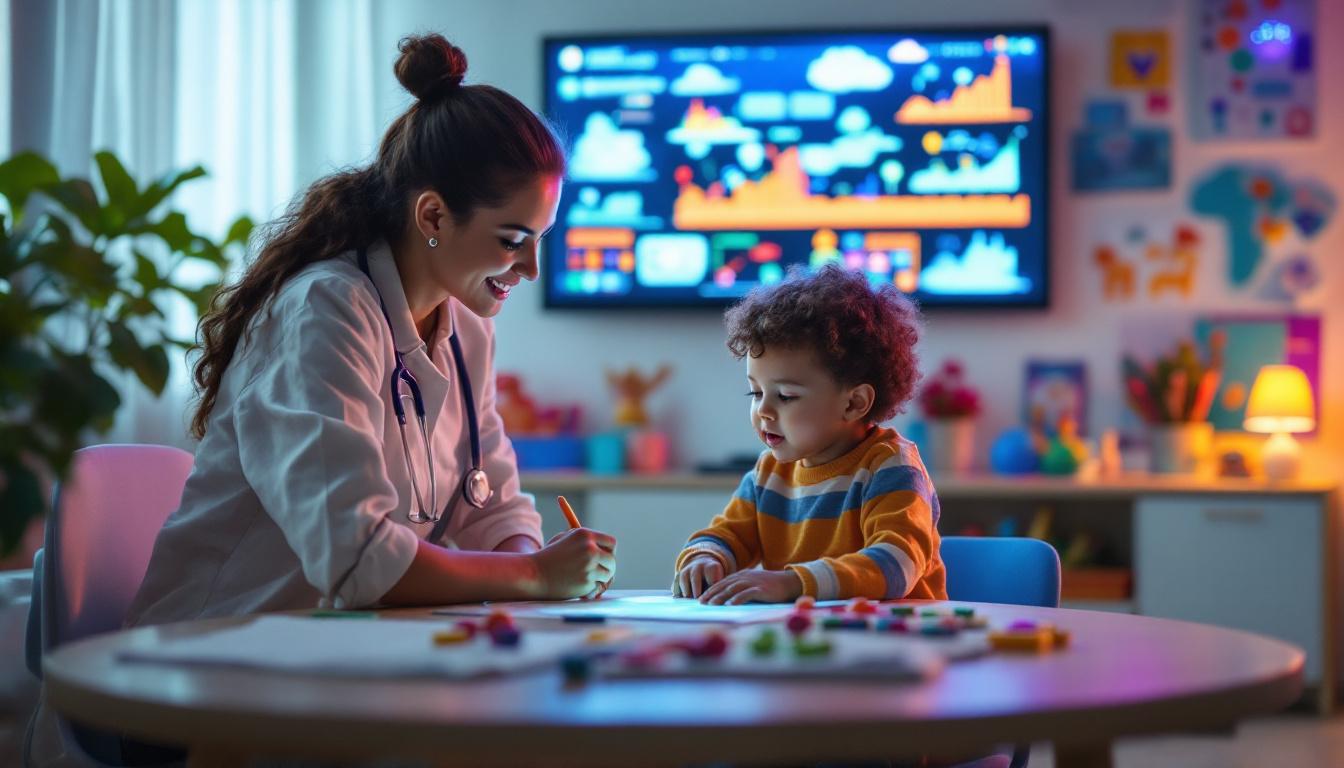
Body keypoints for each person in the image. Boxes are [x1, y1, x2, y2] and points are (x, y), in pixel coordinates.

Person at [126, 33, 616, 626]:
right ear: (433, 215)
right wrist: (536, 576)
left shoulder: (466, 328)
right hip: (211, 663)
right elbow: (359, 560)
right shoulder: (324, 310)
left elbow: (492, 511)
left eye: (541, 241)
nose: (532, 269)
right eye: (513, 241)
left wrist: (532, 565)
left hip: (338, 653)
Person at [672, 265, 945, 605]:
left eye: (785, 396)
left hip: (896, 641)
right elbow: (726, 535)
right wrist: (704, 558)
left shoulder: (891, 467)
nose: (763, 411)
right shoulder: (768, 474)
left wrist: (792, 584)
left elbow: (896, 564)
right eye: (755, 393)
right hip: (811, 642)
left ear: (854, 403)